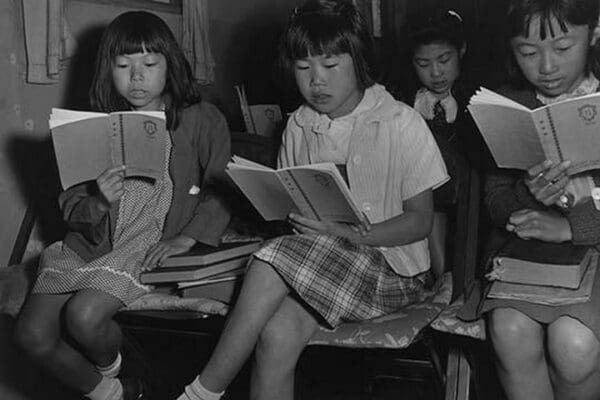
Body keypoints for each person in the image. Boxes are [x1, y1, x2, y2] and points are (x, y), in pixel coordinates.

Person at [176, 1, 448, 400]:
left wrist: (352, 234)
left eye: (330, 66)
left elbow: (420, 221)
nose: (316, 81)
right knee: (276, 335)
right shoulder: (299, 126)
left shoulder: (401, 121)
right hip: (324, 263)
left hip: (393, 272)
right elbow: (292, 208)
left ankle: (203, 391)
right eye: (303, 69)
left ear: (357, 61)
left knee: (270, 259)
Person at [14, 11, 231, 400]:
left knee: (84, 317)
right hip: (90, 245)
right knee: (30, 334)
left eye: (149, 64)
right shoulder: (94, 126)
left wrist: (187, 237)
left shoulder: (201, 118)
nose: (136, 77)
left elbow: (223, 187)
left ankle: (128, 369)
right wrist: (99, 201)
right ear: (107, 69)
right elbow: (71, 203)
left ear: (171, 64)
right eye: (123, 65)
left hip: (144, 247)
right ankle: (116, 389)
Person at [462, 1, 600, 399]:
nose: (546, 67)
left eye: (562, 47)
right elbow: (496, 198)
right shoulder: (510, 106)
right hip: (532, 257)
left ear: (592, 33)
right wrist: (528, 193)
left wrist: (574, 227)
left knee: (574, 346)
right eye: (527, 52)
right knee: (508, 331)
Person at [402, 8, 487, 184]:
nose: (436, 73)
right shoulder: (402, 103)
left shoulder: (480, 102)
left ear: (461, 50)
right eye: (423, 64)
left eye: (444, 60)